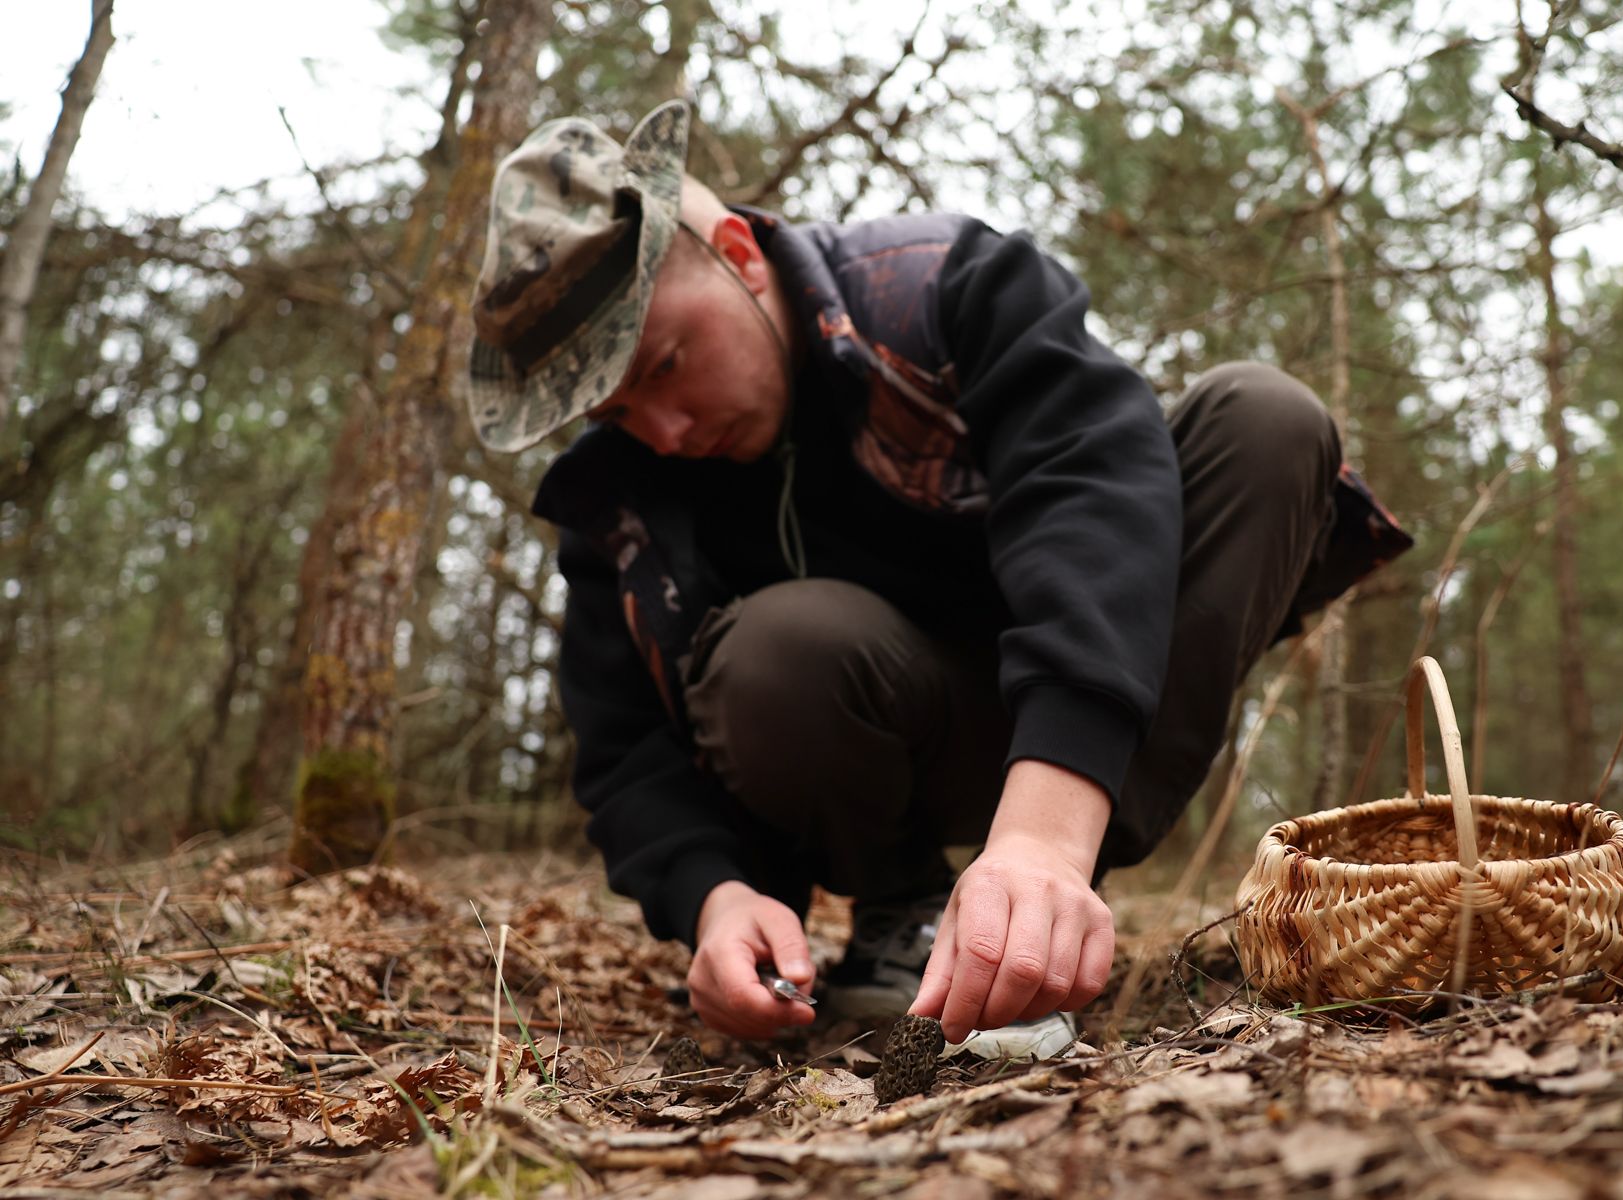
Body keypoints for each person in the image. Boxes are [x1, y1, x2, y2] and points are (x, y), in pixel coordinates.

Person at [466, 101, 1411, 1052]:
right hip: (885, 734)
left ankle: (1052, 881)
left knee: (1267, 419)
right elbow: (625, 746)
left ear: (739, 256)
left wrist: (1042, 837)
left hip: (1091, 709)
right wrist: (716, 898)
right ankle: (905, 910)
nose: (665, 431)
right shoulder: (618, 499)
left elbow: (1089, 492)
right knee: (779, 649)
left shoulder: (943, 289)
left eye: (667, 364)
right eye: (618, 414)